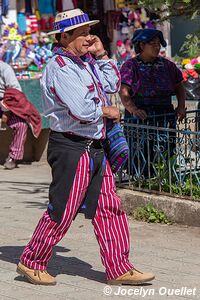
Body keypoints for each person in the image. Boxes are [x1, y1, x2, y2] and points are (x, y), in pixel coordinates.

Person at [16, 9, 155, 286]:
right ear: (64, 36)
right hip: (72, 147)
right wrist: (107, 110)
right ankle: (32, 260)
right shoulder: (60, 67)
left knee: (108, 207)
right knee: (64, 209)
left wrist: (102, 55)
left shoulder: (86, 62)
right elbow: (81, 109)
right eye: (82, 33)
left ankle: (118, 267)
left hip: (94, 146)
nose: (89, 38)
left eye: (89, 32)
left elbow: (113, 83)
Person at [120, 29, 186, 177]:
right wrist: (133, 109)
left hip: (164, 115)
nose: (157, 47)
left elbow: (179, 87)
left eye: (158, 44)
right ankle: (140, 180)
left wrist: (181, 106)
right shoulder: (130, 66)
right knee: (141, 153)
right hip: (141, 116)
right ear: (142, 45)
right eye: (153, 44)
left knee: (165, 150)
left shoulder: (168, 66)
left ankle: (164, 179)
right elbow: (124, 92)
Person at [0, 61, 41, 169]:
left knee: (20, 125)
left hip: (5, 103)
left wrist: (6, 111)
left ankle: (13, 158)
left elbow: (15, 92)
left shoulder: (4, 68)